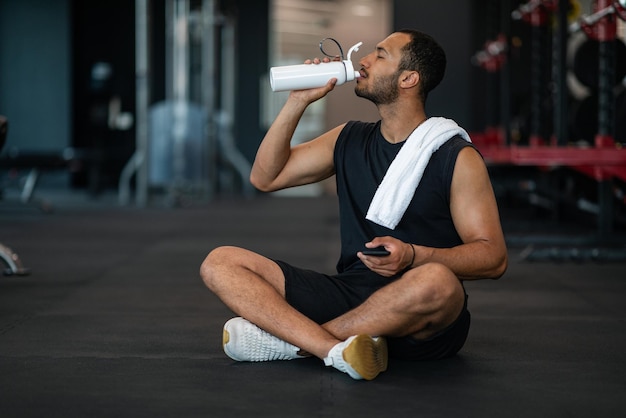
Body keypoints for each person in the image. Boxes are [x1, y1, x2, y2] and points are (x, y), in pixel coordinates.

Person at [200, 29, 508, 380]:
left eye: (380, 55)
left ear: (408, 78)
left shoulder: (456, 157)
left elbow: (493, 257)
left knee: (439, 280)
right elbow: (265, 178)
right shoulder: (348, 138)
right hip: (351, 293)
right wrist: (298, 101)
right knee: (220, 262)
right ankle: (332, 348)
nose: (364, 61)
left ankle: (293, 345)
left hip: (421, 315)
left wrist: (413, 255)